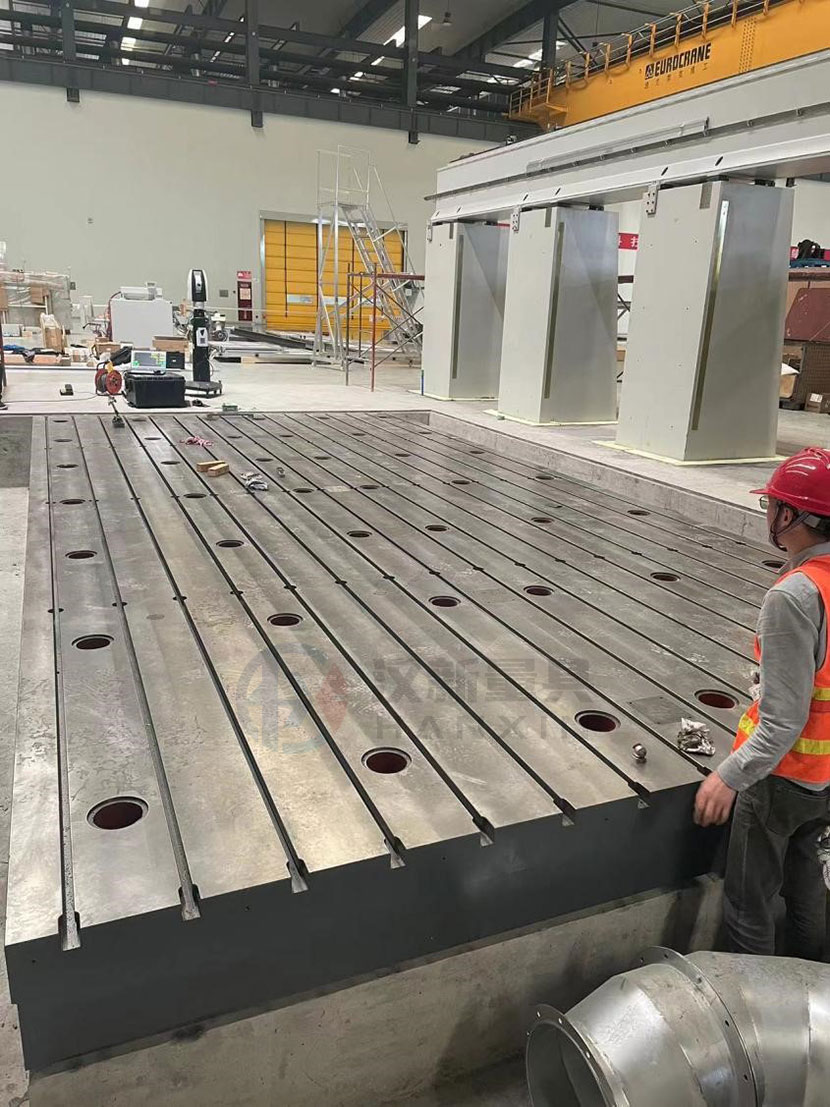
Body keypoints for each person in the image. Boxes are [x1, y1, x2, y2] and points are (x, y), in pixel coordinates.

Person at [694, 447, 830, 959]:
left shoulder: (796, 596)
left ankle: (755, 1000)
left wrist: (727, 777)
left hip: (780, 780)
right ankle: (811, 990)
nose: (767, 513)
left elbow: (783, 721)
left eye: (772, 504)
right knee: (807, 897)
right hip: (825, 776)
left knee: (748, 907)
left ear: (792, 516)